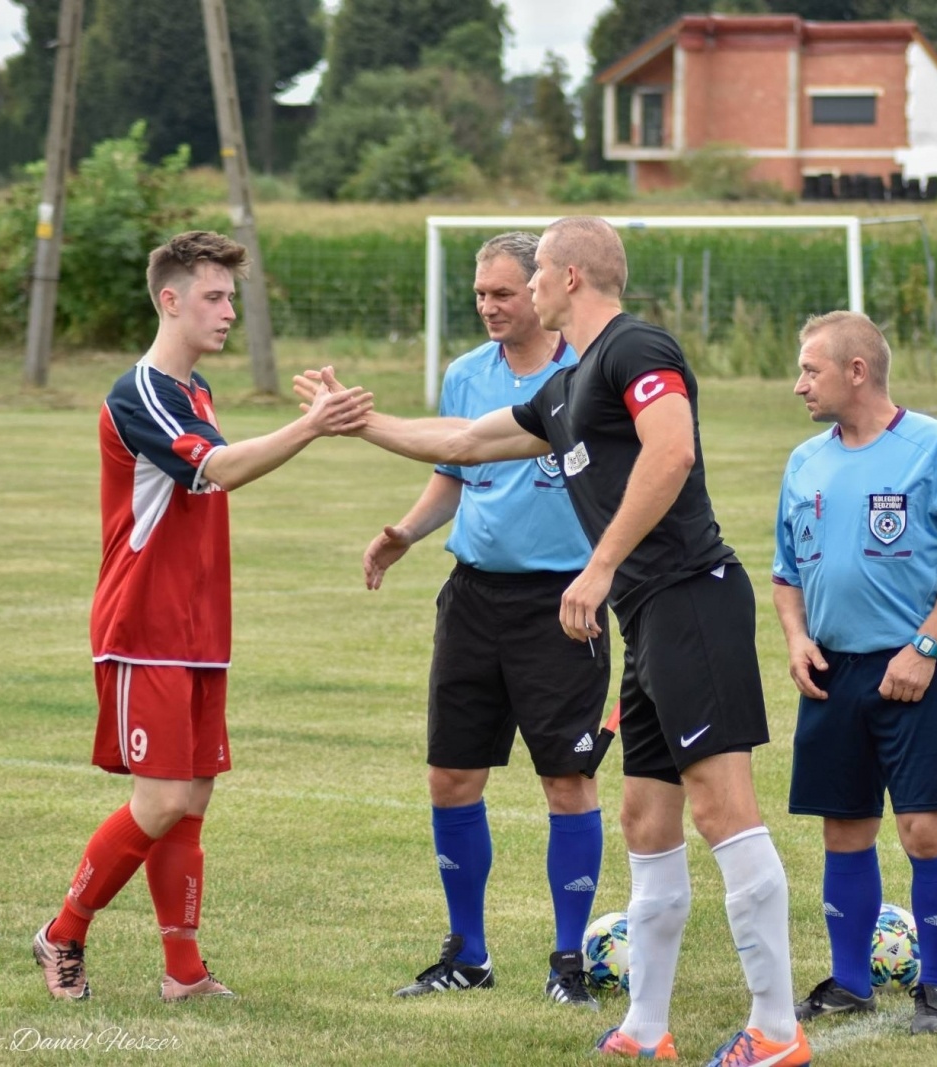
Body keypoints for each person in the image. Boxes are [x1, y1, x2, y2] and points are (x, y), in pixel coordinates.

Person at [295, 217, 808, 1067]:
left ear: (570, 276)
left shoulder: (636, 347)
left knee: (723, 809)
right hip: (648, 616)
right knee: (645, 818)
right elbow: (464, 442)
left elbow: (672, 452)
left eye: (532, 276)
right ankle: (646, 1027)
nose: (523, 290)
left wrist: (599, 566)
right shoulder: (567, 388)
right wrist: (356, 421)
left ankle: (777, 1030)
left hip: (692, 598)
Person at [34, 231, 372, 1002]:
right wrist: (312, 424)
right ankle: (62, 932)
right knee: (159, 801)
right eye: (214, 297)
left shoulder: (196, 391)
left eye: (230, 297)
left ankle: (183, 971)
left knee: (190, 804)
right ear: (170, 300)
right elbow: (219, 468)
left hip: (200, 631)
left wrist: (310, 424)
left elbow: (219, 471)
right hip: (144, 626)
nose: (228, 311)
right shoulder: (142, 391)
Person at [366, 233, 609, 1008]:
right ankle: (467, 953)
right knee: (451, 776)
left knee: (567, 780)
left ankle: (569, 961)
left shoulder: (588, 373)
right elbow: (455, 468)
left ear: (541, 289)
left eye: (503, 292)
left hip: (563, 605)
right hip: (472, 598)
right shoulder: (466, 374)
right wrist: (406, 533)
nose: (489, 306)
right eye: (480, 294)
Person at [771, 312, 937, 1037]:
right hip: (831, 671)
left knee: (924, 829)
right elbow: (785, 571)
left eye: (811, 370)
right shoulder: (804, 461)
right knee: (844, 828)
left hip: (915, 667)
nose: (799, 384)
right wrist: (796, 638)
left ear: (857, 371)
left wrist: (925, 648)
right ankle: (849, 982)